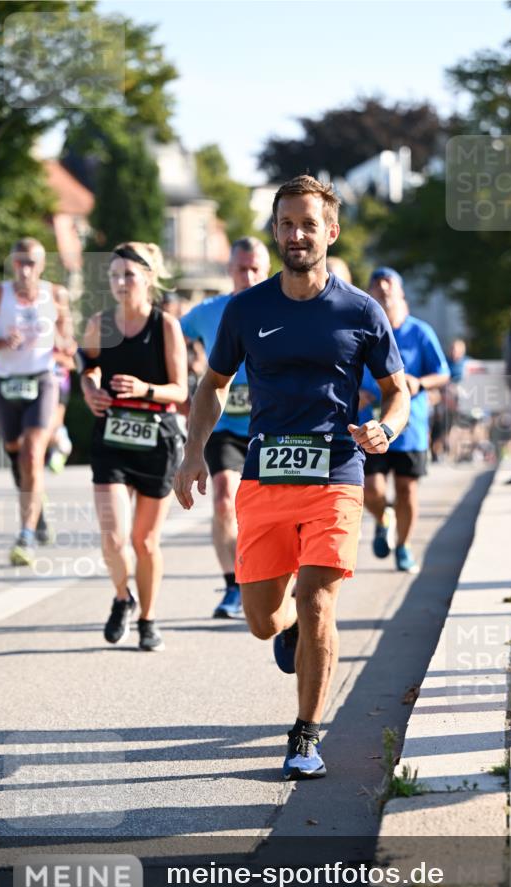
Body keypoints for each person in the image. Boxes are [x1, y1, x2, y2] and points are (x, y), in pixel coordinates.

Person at [174, 175, 409, 781]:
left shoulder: (361, 310)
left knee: (318, 600)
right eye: (286, 223)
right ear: (275, 230)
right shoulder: (246, 310)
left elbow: (395, 393)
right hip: (265, 476)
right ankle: (291, 635)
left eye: (308, 224)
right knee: (262, 619)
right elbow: (213, 384)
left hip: (336, 473)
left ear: (330, 231)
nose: (296, 234)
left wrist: (385, 427)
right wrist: (194, 452)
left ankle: (305, 734)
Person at [81, 242, 188, 652]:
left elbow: (179, 390)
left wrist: (145, 389)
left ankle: (148, 618)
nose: (120, 283)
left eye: (128, 274)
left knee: (145, 542)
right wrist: (90, 388)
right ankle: (123, 598)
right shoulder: (100, 323)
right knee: (113, 539)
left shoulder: (165, 326)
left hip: (156, 442)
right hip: (111, 439)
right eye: (114, 276)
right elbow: (86, 363)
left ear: (147, 278)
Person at [181, 237, 271, 618]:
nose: (248, 276)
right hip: (225, 425)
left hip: (273, 424)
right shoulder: (206, 312)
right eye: (240, 268)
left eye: (255, 269)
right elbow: (172, 340)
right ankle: (234, 584)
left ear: (266, 270)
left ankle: (286, 576)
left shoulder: (282, 306)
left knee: (272, 509)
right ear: (228, 270)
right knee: (222, 500)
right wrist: (183, 372)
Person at [0, 238, 76, 565]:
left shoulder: (56, 295)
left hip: (42, 379)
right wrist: (1, 341)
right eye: (20, 262)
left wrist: (64, 347)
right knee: (18, 455)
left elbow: (68, 341)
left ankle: (26, 535)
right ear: (12, 264)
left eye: (32, 262)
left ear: (42, 265)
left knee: (33, 453)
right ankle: (38, 512)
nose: (25, 269)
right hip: (5, 382)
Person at [359, 267, 450, 573]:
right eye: (377, 286)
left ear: (401, 294)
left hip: (410, 427)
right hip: (369, 425)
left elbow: (443, 373)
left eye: (389, 285)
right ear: (369, 295)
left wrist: (420, 383)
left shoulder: (419, 332)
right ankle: (384, 518)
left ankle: (404, 545)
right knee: (371, 489)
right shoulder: (362, 331)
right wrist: (356, 391)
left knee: (407, 490)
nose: (383, 289)